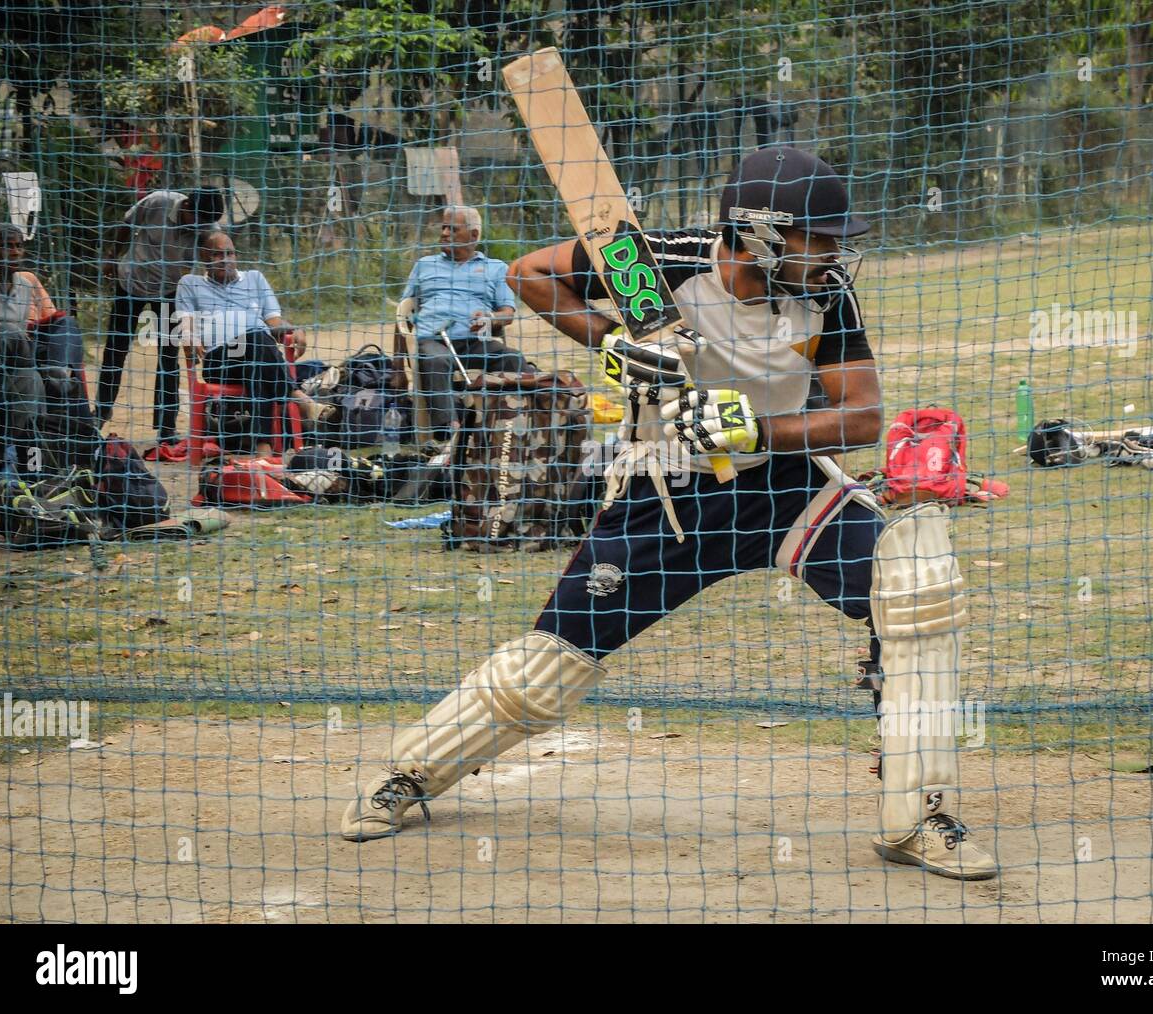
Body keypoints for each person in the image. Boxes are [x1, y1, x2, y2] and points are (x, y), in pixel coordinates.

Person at [340, 148, 997, 881]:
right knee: (552, 663)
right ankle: (412, 772)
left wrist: (756, 428)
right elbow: (530, 274)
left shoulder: (826, 295)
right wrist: (613, 341)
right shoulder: (656, 264)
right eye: (823, 235)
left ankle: (917, 815)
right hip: (668, 494)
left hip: (784, 486)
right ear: (761, 234)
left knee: (915, 583)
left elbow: (863, 416)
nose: (838, 252)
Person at [175, 231, 327, 460]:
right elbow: (184, 323)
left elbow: (275, 322)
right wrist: (190, 336)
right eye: (217, 254)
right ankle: (298, 397)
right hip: (221, 361)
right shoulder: (190, 283)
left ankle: (263, 448)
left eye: (230, 253)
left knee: (257, 355)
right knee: (257, 339)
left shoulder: (255, 279)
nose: (225, 259)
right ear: (203, 257)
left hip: (258, 358)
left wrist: (294, 329)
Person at [95, 187, 224, 444]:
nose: (198, 225)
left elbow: (212, 262)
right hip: (130, 283)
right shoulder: (158, 202)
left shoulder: (208, 227)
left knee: (168, 358)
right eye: (195, 219)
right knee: (115, 351)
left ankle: (166, 427)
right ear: (185, 205)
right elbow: (127, 224)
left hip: (169, 292)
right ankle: (100, 411)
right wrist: (112, 257)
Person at [393, 205, 527, 439]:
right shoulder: (425, 265)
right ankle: (449, 434)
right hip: (433, 341)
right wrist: (397, 369)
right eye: (443, 227)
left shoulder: (495, 269)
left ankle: (524, 419)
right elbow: (402, 316)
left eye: (452, 229)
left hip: (475, 342)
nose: (444, 233)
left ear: (474, 235)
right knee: (437, 359)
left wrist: (491, 318)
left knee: (513, 359)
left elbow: (508, 313)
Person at [0, 223, 97, 468]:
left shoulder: (26, 286)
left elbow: (38, 322)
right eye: (6, 246)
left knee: (41, 368)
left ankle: (25, 460)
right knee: (25, 365)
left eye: (19, 246)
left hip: (15, 361)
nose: (15, 252)